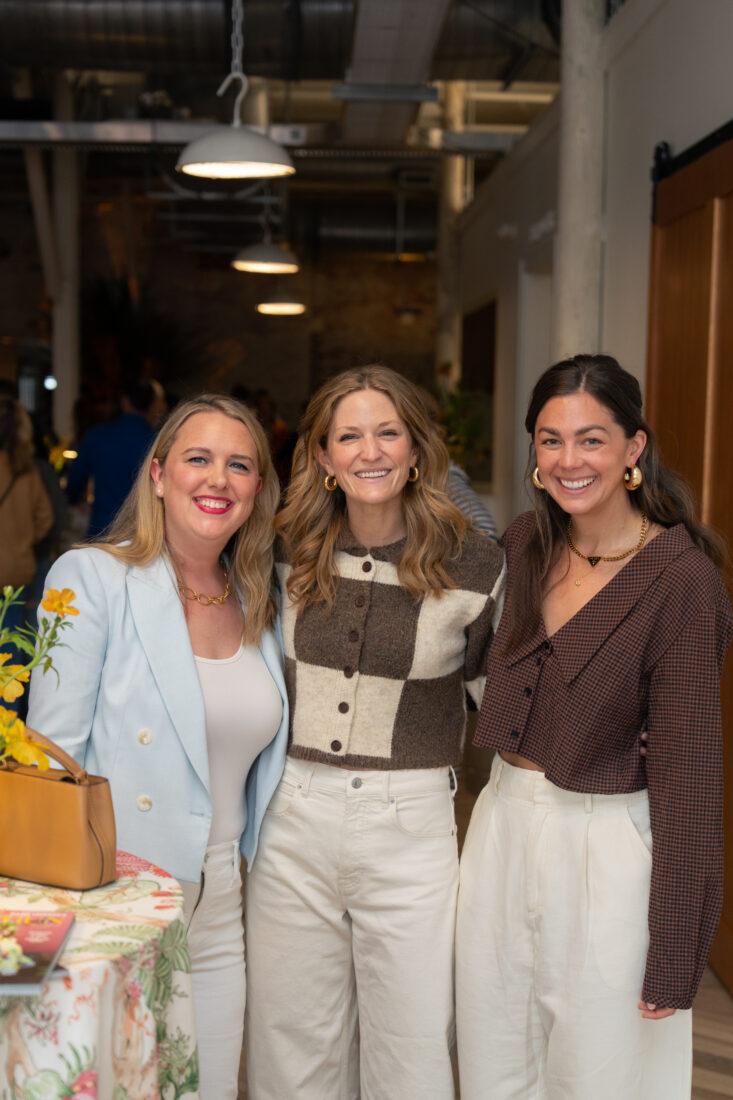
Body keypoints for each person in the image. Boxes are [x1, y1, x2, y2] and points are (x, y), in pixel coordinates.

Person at [455, 354, 732, 1099]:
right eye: (549, 440)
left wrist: (677, 951)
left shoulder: (680, 582)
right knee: (492, 1060)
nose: (567, 460)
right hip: (501, 827)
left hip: (608, 847)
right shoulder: (524, 542)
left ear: (633, 448)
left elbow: (690, 780)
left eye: (590, 439)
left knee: (601, 1077)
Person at [244, 365, 505, 1099]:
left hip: (411, 824)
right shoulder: (280, 551)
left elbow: (505, 701)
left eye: (387, 432)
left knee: (413, 1045)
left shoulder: (477, 566)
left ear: (416, 448)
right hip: (290, 815)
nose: (370, 451)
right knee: (289, 1040)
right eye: (348, 436)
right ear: (322, 456)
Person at [28, 394, 289, 1100]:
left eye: (239, 465)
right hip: (117, 892)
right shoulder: (88, 578)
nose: (218, 480)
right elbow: (48, 765)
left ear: (257, 490)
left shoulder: (263, 597)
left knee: (206, 1089)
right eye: (197, 459)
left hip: (221, 896)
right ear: (159, 474)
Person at [0, 395, 54, 716]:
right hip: (16, 573)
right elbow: (45, 518)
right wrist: (20, 541)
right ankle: (7, 730)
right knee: (11, 650)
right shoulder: (25, 469)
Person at [66, 378, 168, 537]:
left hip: (102, 531)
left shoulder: (98, 436)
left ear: (125, 402)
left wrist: (74, 500)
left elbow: (75, 484)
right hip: (144, 534)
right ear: (152, 405)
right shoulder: (159, 443)